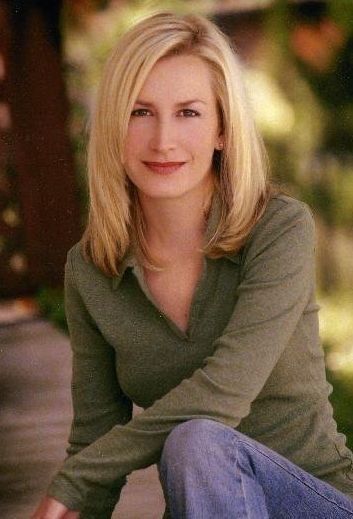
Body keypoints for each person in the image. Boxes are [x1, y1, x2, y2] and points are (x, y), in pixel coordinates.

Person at [31, 11, 353, 519]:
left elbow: (223, 395)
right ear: (114, 125)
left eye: (188, 113)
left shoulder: (279, 230)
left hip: (316, 504)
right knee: (193, 444)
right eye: (140, 112)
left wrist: (78, 478)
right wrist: (78, 494)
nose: (163, 140)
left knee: (198, 441)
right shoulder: (91, 271)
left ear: (223, 129)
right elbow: (94, 437)